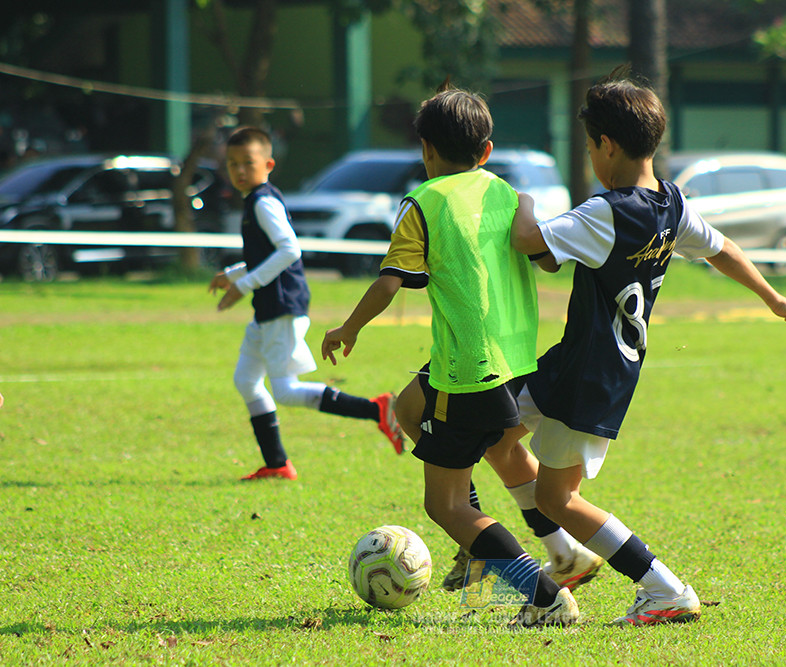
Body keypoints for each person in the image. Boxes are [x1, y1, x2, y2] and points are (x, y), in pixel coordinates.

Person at [503, 68, 786, 626]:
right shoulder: (671, 204)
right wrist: (772, 296)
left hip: (587, 375)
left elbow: (529, 239)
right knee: (497, 432)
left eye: (589, 145)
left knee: (557, 499)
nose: (590, 157)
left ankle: (662, 586)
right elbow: (721, 248)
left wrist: (519, 198)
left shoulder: (607, 211)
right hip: (590, 366)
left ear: (607, 144)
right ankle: (558, 561)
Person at [321, 85, 579, 627]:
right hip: (512, 364)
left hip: (469, 371)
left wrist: (349, 326)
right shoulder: (506, 194)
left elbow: (393, 282)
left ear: (426, 150)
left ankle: (543, 594)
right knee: (407, 410)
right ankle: (541, 548)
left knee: (444, 505)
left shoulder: (425, 202)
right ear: (485, 152)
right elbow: (548, 260)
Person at [210, 126, 404, 482]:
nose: (239, 170)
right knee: (247, 381)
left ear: (268, 164)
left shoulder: (263, 202)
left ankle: (376, 410)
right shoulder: (256, 199)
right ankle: (277, 464)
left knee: (284, 389)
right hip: (271, 308)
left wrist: (244, 284)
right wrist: (234, 274)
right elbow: (267, 253)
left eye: (247, 163)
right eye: (232, 163)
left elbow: (289, 250)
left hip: (282, 306)